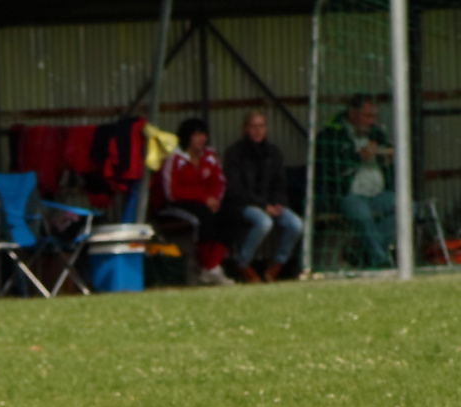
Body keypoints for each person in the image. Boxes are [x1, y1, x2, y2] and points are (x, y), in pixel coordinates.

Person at [315, 93, 396, 268]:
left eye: (374, 116)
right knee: (362, 213)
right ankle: (380, 261)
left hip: (377, 194)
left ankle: (368, 254)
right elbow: (330, 169)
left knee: (407, 207)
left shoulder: (376, 133)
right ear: (353, 114)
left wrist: (388, 158)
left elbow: (388, 151)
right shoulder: (331, 134)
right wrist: (359, 157)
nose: (371, 121)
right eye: (367, 116)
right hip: (347, 195)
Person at [223, 110, 303, 283]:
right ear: (245, 129)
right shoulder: (234, 154)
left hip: (270, 204)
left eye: (261, 126)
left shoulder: (274, 153)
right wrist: (263, 205)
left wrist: (278, 203)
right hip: (244, 204)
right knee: (264, 222)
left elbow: (279, 183)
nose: (257, 131)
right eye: (253, 127)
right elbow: (236, 189)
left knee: (295, 224)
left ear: (266, 128)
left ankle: (277, 265)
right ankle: (243, 263)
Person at [159, 117, 234, 286]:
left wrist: (215, 199)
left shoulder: (209, 156)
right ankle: (206, 266)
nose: (202, 139)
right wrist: (203, 198)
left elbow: (219, 181)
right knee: (204, 217)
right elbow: (172, 192)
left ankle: (213, 265)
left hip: (207, 203)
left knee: (229, 214)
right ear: (187, 137)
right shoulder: (175, 159)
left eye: (203, 134)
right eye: (197, 135)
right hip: (178, 204)